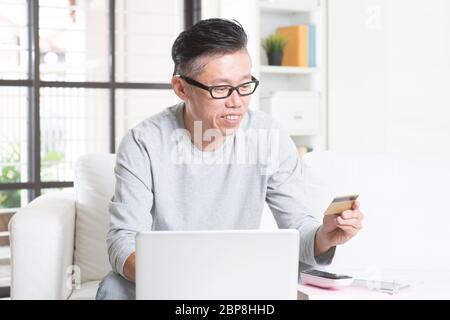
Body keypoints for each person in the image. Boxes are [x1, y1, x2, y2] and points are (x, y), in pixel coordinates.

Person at [96, 18, 364, 300]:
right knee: (114, 289)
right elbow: (123, 242)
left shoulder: (268, 136)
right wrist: (188, 284)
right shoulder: (143, 143)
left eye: (245, 85)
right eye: (221, 89)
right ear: (181, 88)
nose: (237, 102)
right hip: (168, 280)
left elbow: (298, 229)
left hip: (240, 277)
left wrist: (324, 236)